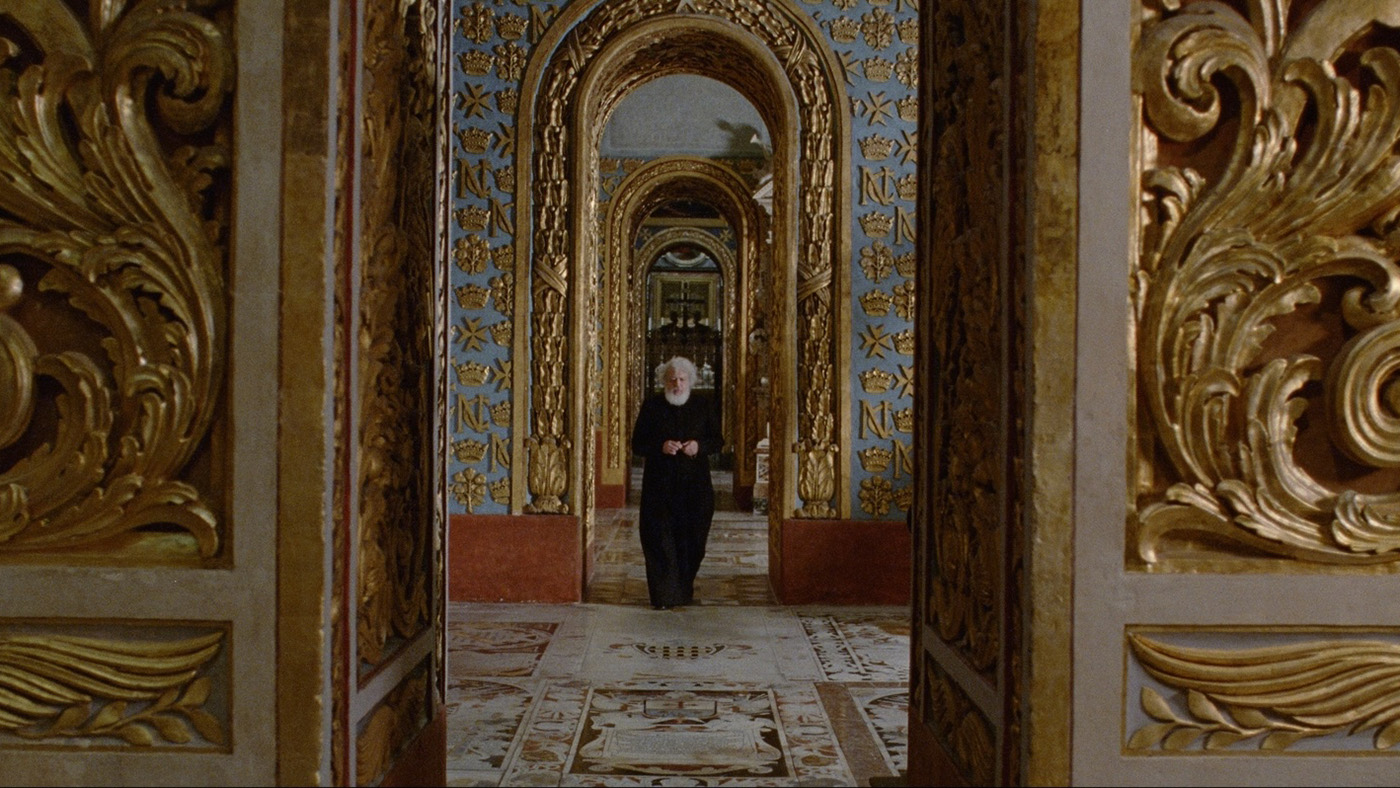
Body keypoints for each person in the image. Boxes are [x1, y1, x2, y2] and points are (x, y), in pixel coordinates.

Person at [631, 356, 723, 609]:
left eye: (682, 379)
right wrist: (660, 446)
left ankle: (682, 588)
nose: (677, 384)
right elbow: (637, 444)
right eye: (672, 379)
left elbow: (718, 441)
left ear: (691, 381)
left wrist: (698, 447)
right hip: (659, 488)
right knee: (659, 540)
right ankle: (663, 596)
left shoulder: (703, 405)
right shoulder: (652, 406)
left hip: (695, 488)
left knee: (693, 541)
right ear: (664, 381)